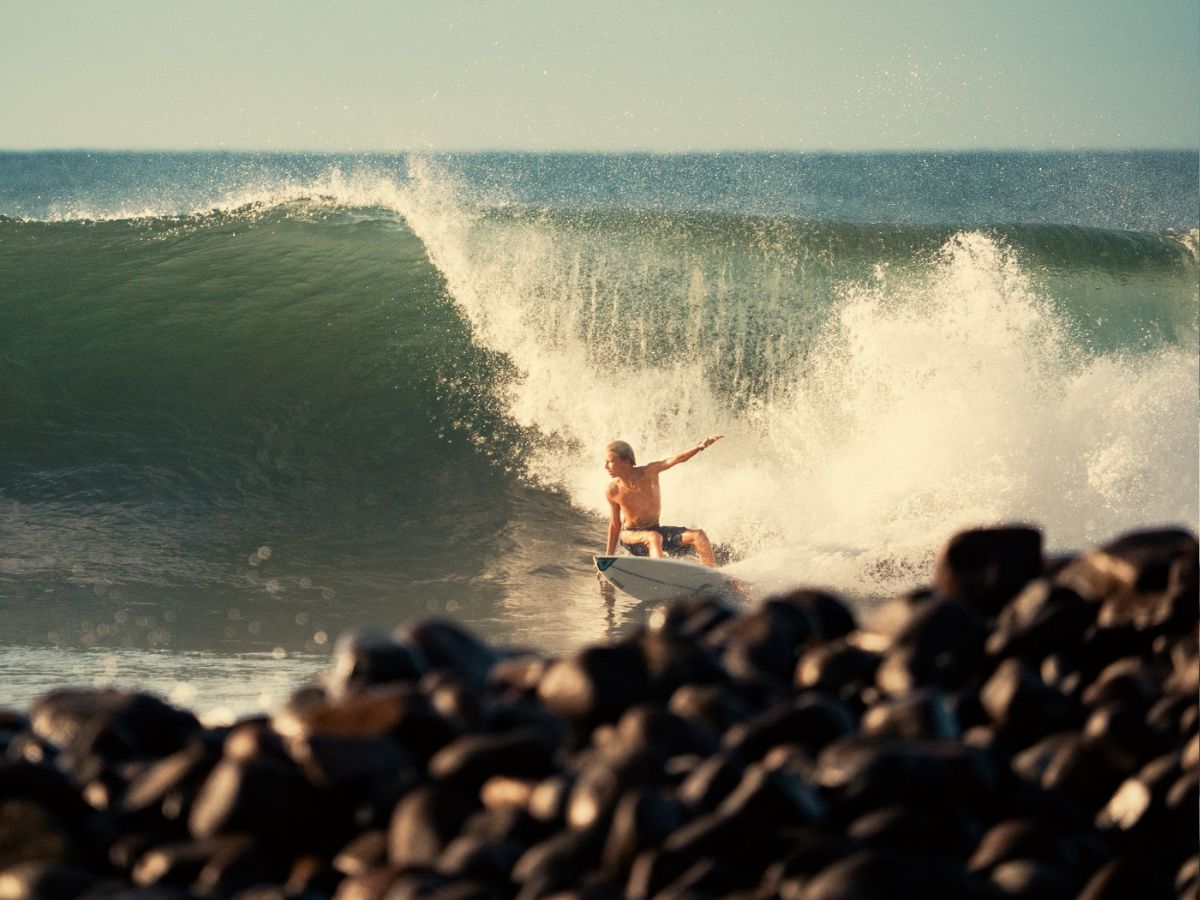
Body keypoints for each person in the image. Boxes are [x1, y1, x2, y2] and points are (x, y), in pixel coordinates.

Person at [603, 434, 723, 566]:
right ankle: (660, 572)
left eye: (609, 461)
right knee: (653, 537)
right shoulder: (612, 490)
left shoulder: (649, 472)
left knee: (699, 535)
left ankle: (709, 573)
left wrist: (699, 447)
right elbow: (615, 525)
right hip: (630, 535)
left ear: (626, 462)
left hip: (656, 531)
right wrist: (607, 559)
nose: (605, 466)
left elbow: (677, 459)